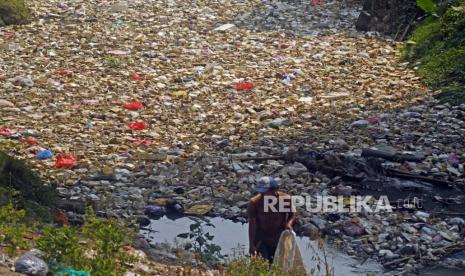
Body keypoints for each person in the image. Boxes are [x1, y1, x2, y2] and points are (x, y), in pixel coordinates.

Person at [247, 176, 297, 262]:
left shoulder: (285, 199)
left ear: (274, 190)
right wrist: (252, 245)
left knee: (278, 264)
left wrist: (288, 224)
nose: (263, 195)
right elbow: (252, 224)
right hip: (261, 239)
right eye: (261, 192)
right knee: (261, 266)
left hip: (279, 238)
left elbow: (293, 214)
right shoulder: (255, 202)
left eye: (265, 192)